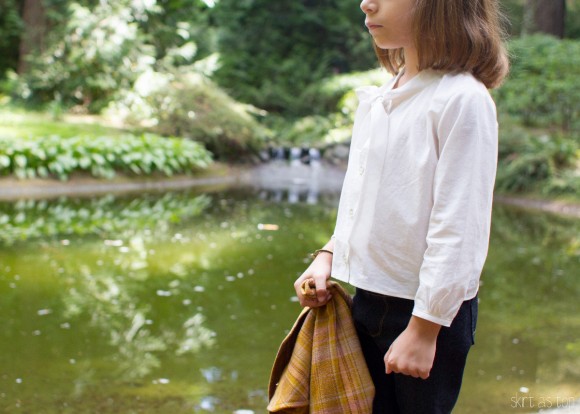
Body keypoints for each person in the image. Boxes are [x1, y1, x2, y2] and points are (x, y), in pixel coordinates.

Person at [293, 0, 509, 412]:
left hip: (427, 313)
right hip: (368, 300)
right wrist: (329, 255)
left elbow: (459, 230)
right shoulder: (382, 95)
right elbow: (363, 199)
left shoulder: (461, 99)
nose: (366, 3)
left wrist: (424, 331)